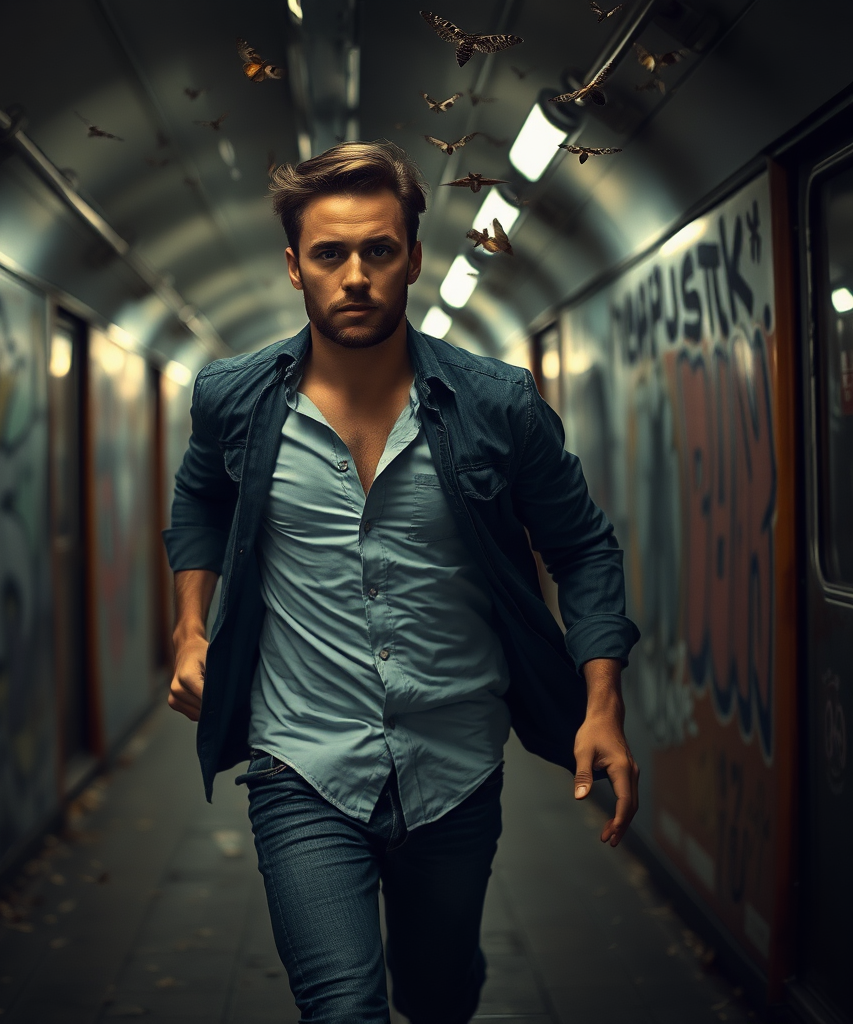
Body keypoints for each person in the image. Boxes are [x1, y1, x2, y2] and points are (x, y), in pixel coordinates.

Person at [162, 141, 640, 1024]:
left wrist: (601, 701)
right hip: (299, 762)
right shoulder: (235, 399)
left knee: (436, 991)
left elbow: (583, 548)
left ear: (414, 258)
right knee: (344, 1009)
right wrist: (191, 628)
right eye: (329, 254)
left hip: (453, 765)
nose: (355, 276)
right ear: (293, 266)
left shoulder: (495, 407)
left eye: (378, 251)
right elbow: (198, 499)